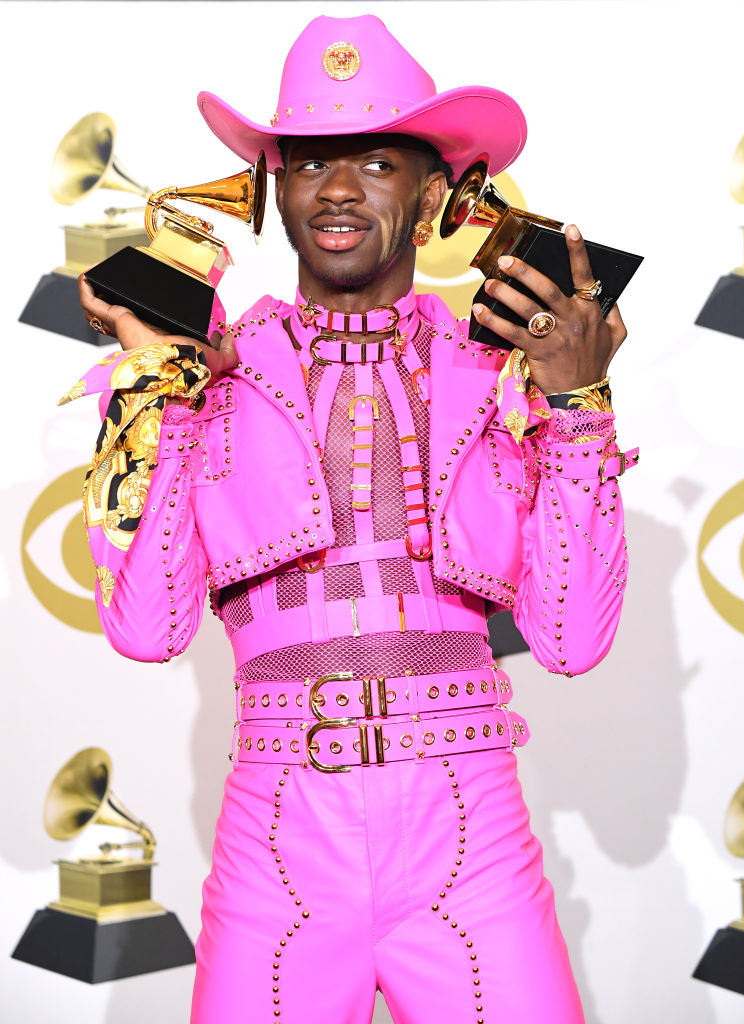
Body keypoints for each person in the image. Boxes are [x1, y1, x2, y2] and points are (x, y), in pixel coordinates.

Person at [65, 14, 638, 1023]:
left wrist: (578, 405)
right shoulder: (210, 378)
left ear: (432, 196)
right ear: (268, 188)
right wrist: (156, 390)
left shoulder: (502, 375)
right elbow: (143, 628)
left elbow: (572, 640)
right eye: (309, 161)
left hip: (471, 843)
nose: (337, 189)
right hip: (278, 850)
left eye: (377, 160)